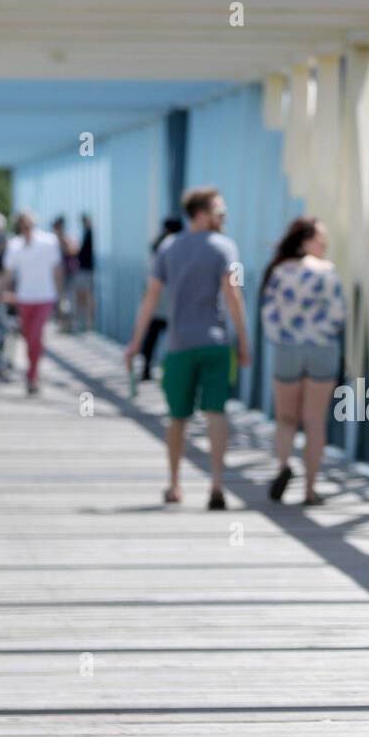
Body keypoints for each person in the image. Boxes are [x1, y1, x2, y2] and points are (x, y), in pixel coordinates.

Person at [123, 187, 249, 510]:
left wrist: (136, 342)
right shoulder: (225, 247)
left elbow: (150, 297)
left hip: (178, 345)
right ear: (202, 214)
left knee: (177, 417)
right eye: (220, 213)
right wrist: (244, 340)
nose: (225, 220)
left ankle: (174, 484)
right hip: (216, 343)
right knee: (216, 412)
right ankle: (217, 484)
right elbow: (233, 295)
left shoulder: (169, 248)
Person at [260, 217, 344, 505]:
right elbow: (337, 315)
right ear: (305, 240)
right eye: (320, 237)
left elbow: (268, 313)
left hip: (287, 349)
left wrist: (285, 337)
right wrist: (319, 334)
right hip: (321, 349)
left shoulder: (279, 271)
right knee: (314, 420)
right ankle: (310, 490)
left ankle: (283, 467)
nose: (325, 243)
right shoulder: (327, 271)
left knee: (285, 419)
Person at [2, 211, 63, 396]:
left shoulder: (48, 241)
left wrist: (60, 295)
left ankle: (32, 375)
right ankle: (33, 368)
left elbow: (57, 269)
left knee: (35, 336)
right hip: (25, 297)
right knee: (29, 339)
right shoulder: (15, 244)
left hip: (44, 296)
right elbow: (8, 272)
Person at [137, 216, 182, 380]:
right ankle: (170, 371)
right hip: (174, 302)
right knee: (174, 340)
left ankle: (146, 369)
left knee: (151, 338)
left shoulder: (159, 246)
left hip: (157, 301)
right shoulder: (182, 246)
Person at [52, 216, 79, 333]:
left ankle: (70, 324)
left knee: (69, 298)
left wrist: (62, 240)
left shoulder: (65, 238)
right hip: (58, 274)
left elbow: (72, 250)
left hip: (67, 273)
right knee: (60, 299)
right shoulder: (52, 240)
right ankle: (62, 324)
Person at [74, 214, 96, 333]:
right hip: (85, 269)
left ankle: (87, 324)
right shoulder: (86, 233)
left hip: (86, 270)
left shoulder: (89, 232)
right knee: (83, 296)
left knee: (86, 296)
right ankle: (85, 323)